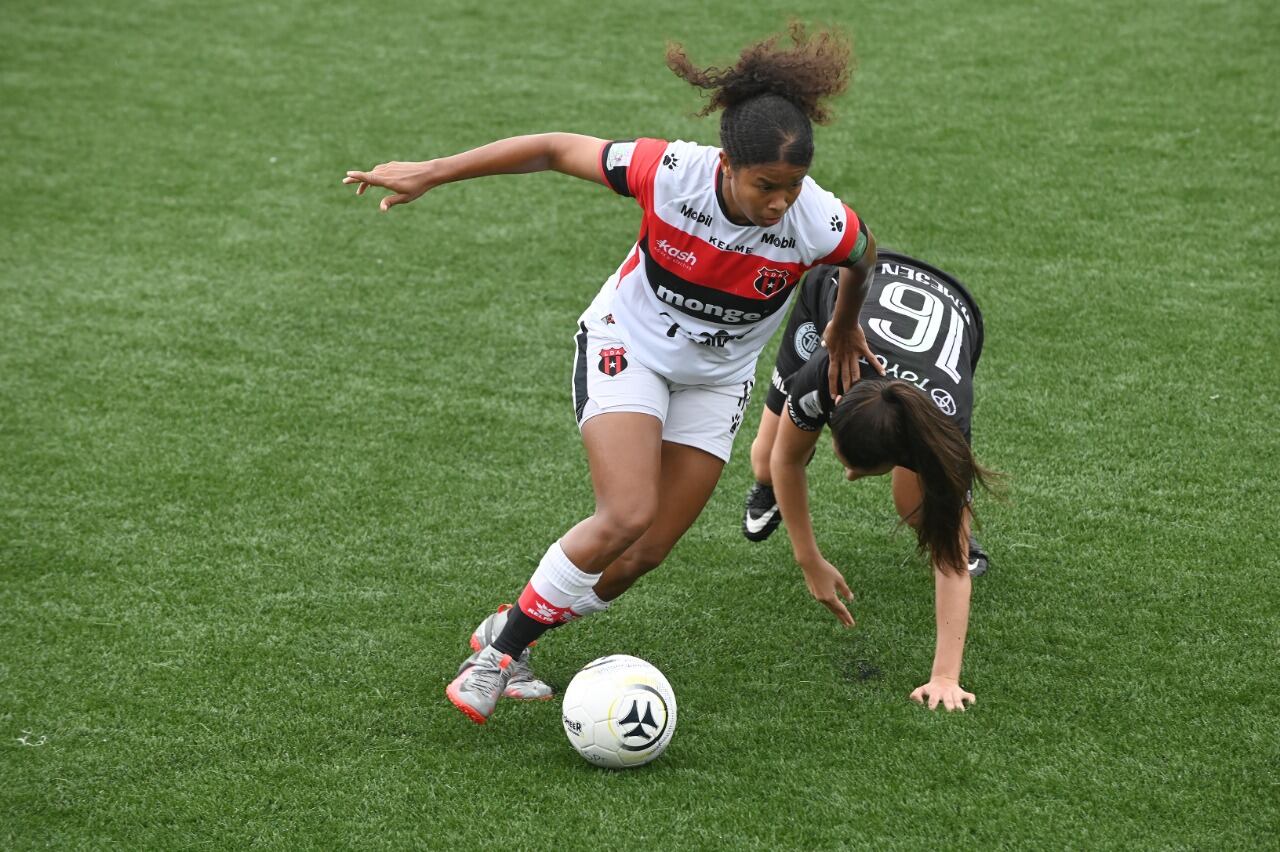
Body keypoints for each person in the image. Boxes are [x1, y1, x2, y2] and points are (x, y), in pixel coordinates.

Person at [344, 24, 886, 724]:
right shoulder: (668, 172)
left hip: (716, 380)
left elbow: (863, 255)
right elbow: (551, 149)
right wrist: (434, 170)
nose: (780, 201)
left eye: (793, 185)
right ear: (726, 164)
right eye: (766, 185)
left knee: (647, 551)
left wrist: (844, 322)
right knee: (625, 512)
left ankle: (516, 624)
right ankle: (498, 659)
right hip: (629, 344)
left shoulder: (817, 221)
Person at [738, 252, 996, 710]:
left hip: (955, 307)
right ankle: (767, 495)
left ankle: (951, 521)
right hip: (836, 288)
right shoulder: (823, 374)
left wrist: (944, 677)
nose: (849, 476)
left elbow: (951, 566)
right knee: (764, 460)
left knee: (919, 510)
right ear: (834, 414)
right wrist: (809, 559)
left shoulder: (944, 426)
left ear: (901, 455)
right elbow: (788, 459)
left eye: (859, 469)